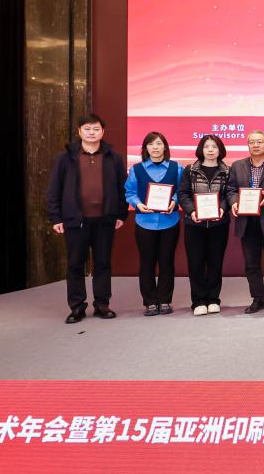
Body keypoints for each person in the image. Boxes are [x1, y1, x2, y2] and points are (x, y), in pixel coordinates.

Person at [46, 114, 128, 324]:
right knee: (75, 264)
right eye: (88, 129)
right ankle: (77, 306)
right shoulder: (65, 158)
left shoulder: (113, 157)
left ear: (103, 132)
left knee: (103, 263)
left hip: (105, 220)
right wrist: (55, 217)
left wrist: (121, 214)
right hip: (75, 221)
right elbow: (54, 189)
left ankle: (102, 304)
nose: (92, 133)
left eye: (96, 129)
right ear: (79, 131)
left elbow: (122, 188)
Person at [226, 130, 264, 314]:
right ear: (248, 145)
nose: (256, 145)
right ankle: (258, 298)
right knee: (251, 264)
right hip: (247, 223)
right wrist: (234, 202)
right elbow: (230, 189)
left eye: (260, 142)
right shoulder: (237, 166)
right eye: (252, 142)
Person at [124, 131, 183, 316]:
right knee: (147, 262)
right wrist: (138, 204)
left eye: (158, 143)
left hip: (170, 221)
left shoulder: (177, 168)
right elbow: (129, 192)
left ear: (165, 147)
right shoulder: (136, 169)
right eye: (150, 144)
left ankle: (165, 300)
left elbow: (182, 190)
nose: (155, 147)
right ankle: (150, 301)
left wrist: (174, 201)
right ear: (145, 148)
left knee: (167, 261)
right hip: (144, 222)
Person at [177, 134, 230, 316]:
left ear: (220, 150)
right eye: (207, 146)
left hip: (219, 224)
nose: (210, 150)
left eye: (214, 147)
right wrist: (192, 211)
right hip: (194, 224)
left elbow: (229, 194)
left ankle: (214, 299)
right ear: (201, 149)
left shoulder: (227, 171)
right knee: (196, 262)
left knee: (215, 262)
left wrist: (222, 208)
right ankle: (199, 300)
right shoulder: (190, 170)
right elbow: (183, 194)